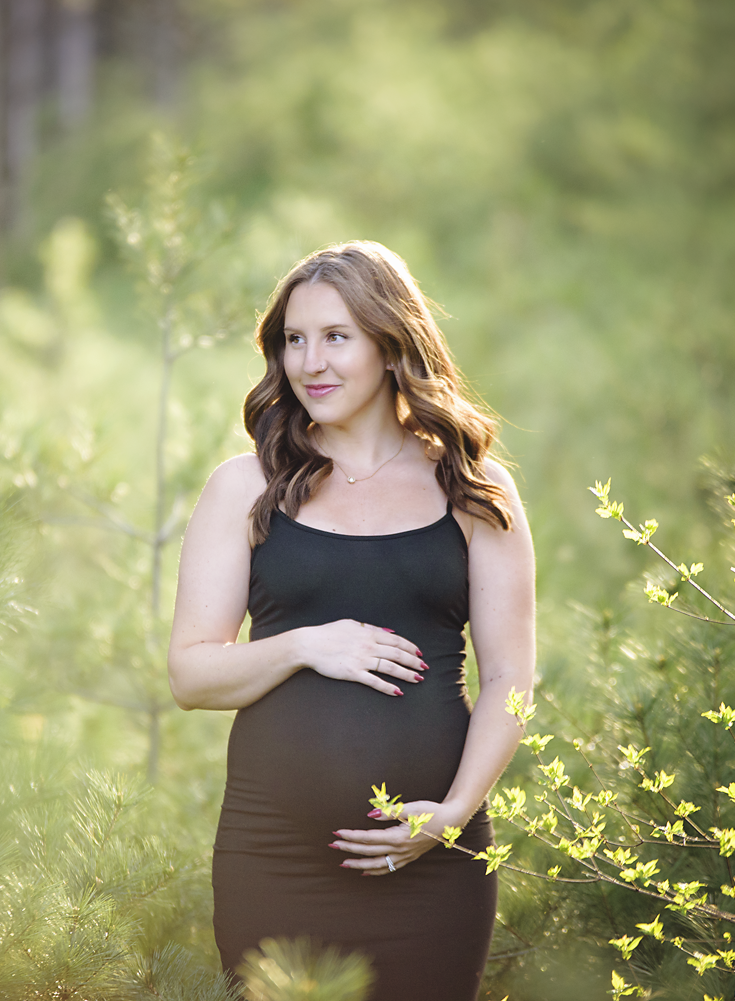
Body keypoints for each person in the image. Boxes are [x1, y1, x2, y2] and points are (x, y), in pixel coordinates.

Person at [167, 241, 535, 1001]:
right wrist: (307, 644)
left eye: (336, 337)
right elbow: (191, 673)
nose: (310, 362)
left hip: (433, 867)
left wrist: (455, 814)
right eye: (294, 340)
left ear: (390, 342)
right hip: (274, 863)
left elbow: (510, 677)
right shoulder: (244, 486)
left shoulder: (471, 486)